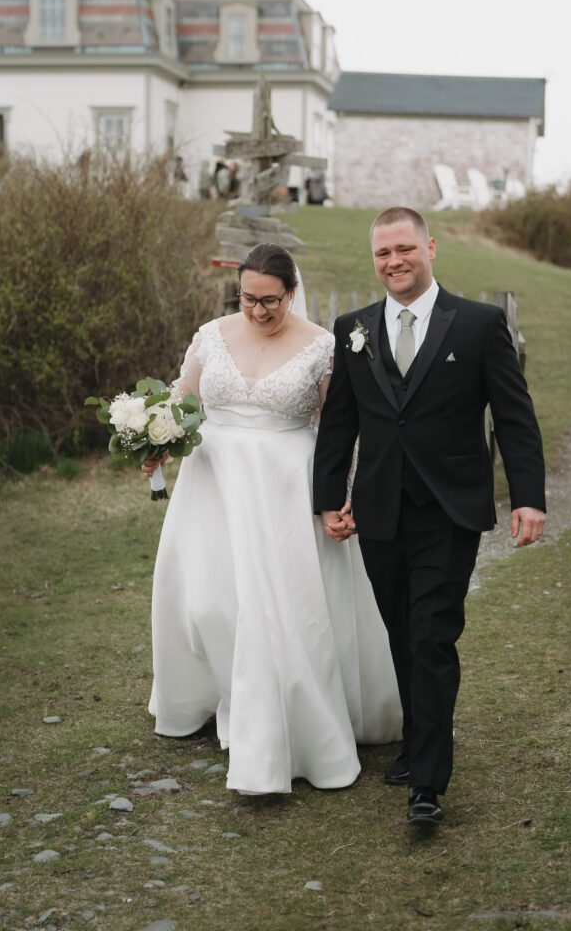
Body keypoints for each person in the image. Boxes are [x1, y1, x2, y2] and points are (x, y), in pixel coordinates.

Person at [313, 207, 546, 826]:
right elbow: (340, 422)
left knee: (431, 634)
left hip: (450, 510)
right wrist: (327, 497)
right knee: (399, 630)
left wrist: (528, 495)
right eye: (383, 253)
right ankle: (420, 738)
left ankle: (428, 782)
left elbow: (514, 417)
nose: (394, 261)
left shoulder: (477, 324)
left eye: (404, 248)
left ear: (430, 247)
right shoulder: (353, 328)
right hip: (379, 510)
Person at [144, 243, 402, 795]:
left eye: (271, 301)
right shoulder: (212, 334)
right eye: (248, 300)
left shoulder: (320, 347)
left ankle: (279, 718)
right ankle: (226, 698)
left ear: (292, 293)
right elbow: (183, 399)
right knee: (209, 601)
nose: (259, 312)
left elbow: (340, 429)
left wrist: (345, 493)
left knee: (283, 611)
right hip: (213, 486)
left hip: (286, 488)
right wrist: (155, 438)